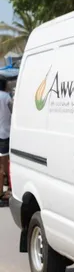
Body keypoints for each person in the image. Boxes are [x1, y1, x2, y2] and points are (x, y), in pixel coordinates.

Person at [0, 78, 12, 207]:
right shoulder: (6, 97)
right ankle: (9, 190)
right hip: (5, 134)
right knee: (6, 164)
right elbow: (13, 111)